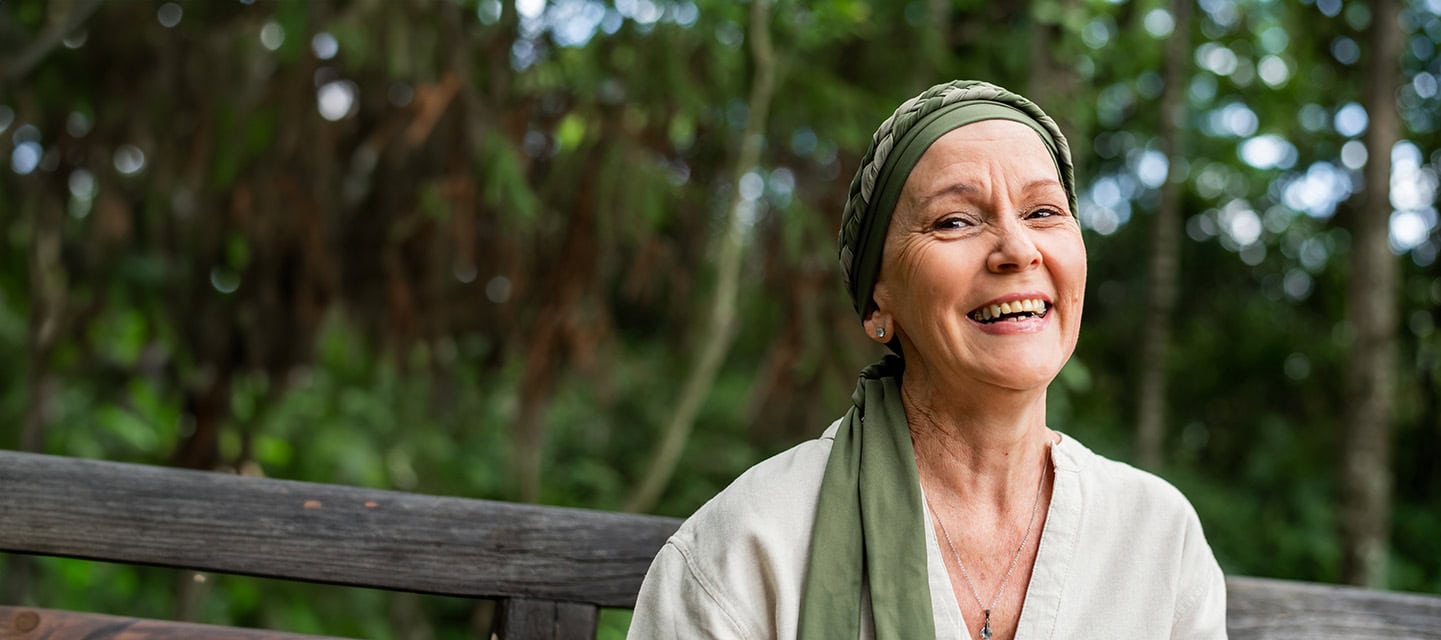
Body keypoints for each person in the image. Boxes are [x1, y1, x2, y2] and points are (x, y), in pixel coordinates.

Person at [627, 80, 1227, 640]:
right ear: (877, 303)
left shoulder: (1158, 539)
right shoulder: (749, 546)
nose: (1018, 249)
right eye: (955, 221)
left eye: (1044, 212)